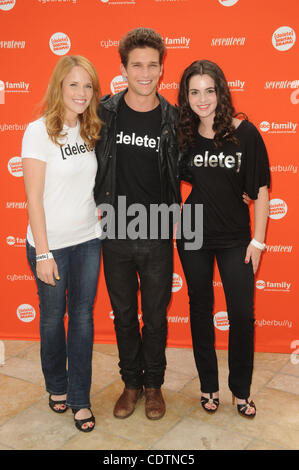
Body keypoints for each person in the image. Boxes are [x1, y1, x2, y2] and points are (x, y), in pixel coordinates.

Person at [94, 28, 180, 420]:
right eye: (136, 65)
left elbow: (199, 164)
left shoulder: (174, 118)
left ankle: (153, 387)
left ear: (162, 69)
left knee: (156, 317)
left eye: (152, 65)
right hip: (115, 233)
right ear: (124, 68)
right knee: (125, 314)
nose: (145, 73)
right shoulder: (104, 113)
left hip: (158, 233)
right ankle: (130, 383)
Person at [176, 60, 270, 418]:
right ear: (187, 96)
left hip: (236, 238)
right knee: (200, 310)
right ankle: (208, 386)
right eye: (195, 92)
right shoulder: (184, 135)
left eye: (209, 91)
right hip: (193, 234)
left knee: (242, 315)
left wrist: (258, 241)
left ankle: (241, 391)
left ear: (220, 92)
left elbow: (260, 189)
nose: (203, 100)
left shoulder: (245, 133)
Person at [22, 55, 103, 432]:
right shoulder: (38, 132)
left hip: (88, 240)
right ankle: (56, 385)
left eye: (88, 86)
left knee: (83, 320)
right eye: (74, 84)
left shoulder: (91, 129)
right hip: (50, 244)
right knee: (54, 319)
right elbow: (33, 199)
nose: (82, 93)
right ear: (59, 86)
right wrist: (43, 252)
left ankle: (79, 397)